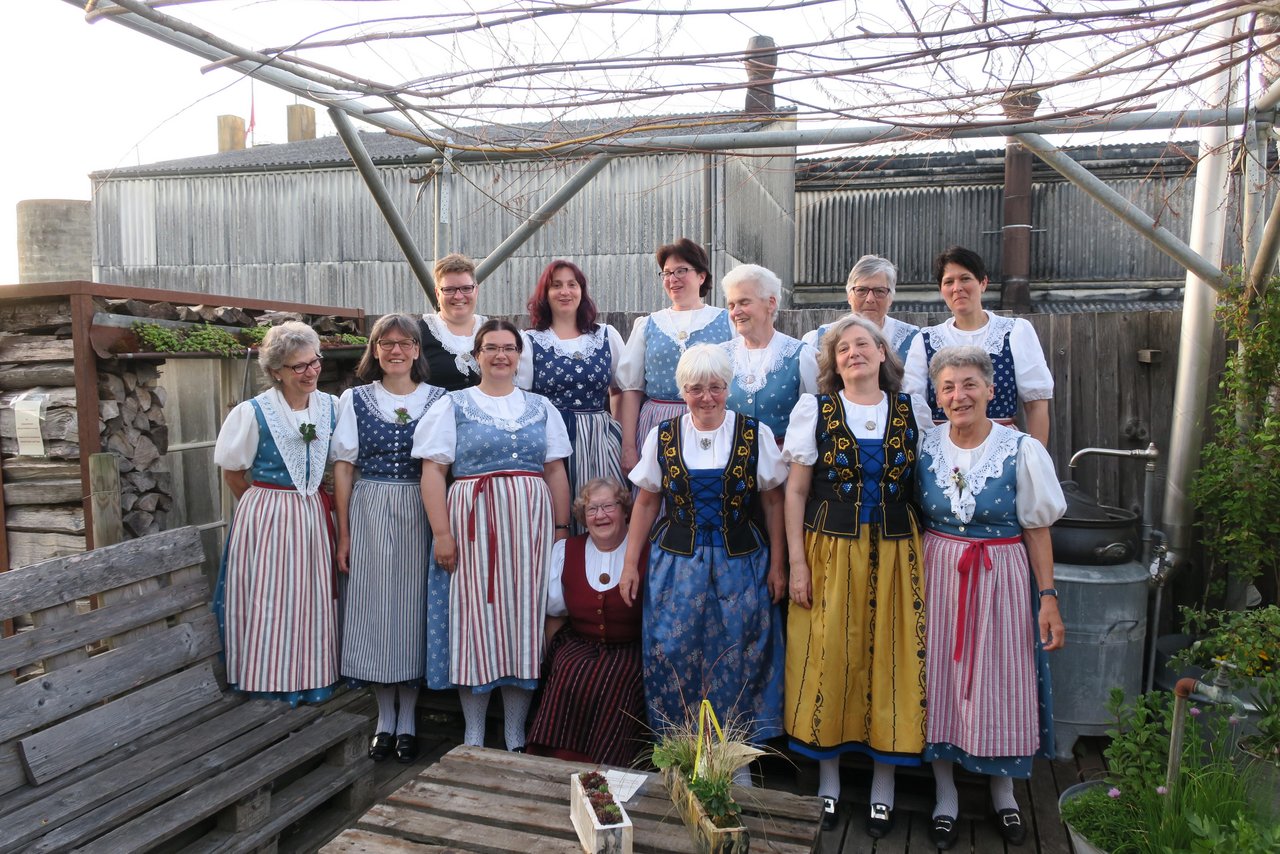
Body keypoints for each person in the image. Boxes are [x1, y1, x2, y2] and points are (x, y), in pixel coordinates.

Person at [782, 315, 934, 834]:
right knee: (829, 654)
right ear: (833, 363)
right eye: (842, 348)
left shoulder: (913, 412)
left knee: (893, 657)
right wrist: (797, 563)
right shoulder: (816, 410)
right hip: (831, 549)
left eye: (862, 344)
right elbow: (796, 492)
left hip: (895, 552)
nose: (853, 353)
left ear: (882, 355)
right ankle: (828, 783)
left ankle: (883, 786)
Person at [915, 346, 1066, 849]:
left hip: (1000, 575)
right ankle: (945, 794)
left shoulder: (1020, 449)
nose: (959, 396)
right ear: (937, 397)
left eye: (969, 385)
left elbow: (1038, 529)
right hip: (937, 572)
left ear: (990, 389)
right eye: (949, 388)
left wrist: (1048, 598)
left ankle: (1004, 793)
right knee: (938, 675)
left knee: (1001, 676)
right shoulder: (924, 446)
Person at [619, 344, 787, 774]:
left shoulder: (755, 433)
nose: (707, 397)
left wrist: (779, 564)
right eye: (696, 389)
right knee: (673, 653)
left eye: (715, 387)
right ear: (682, 391)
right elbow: (645, 503)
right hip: (677, 564)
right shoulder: (665, 435)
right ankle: (678, 754)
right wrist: (628, 563)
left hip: (740, 563)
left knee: (737, 654)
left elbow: (772, 504)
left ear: (728, 388)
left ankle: (735, 757)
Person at [414, 318, 572, 752]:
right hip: (471, 526)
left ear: (519, 356)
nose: (500, 355)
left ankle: (516, 731)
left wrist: (560, 532)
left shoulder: (542, 407)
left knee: (524, 618)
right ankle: (474, 732)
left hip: (530, 530)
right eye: (491, 347)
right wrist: (442, 534)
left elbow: (555, 470)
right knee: (474, 621)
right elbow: (433, 473)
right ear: (476, 355)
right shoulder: (453, 405)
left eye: (508, 348)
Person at [331, 314, 445, 763]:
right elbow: (343, 466)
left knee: (414, 606)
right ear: (374, 351)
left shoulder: (439, 400)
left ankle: (410, 716)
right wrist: (344, 533)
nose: (395, 350)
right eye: (386, 343)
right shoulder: (354, 399)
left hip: (421, 508)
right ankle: (384, 716)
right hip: (371, 506)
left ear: (417, 350)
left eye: (404, 343)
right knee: (376, 607)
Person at [212, 321, 339, 705]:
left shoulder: (332, 407)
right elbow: (233, 471)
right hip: (266, 514)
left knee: (311, 598)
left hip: (313, 515)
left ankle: (311, 678)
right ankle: (266, 678)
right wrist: (263, 507)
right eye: (298, 367)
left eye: (314, 362)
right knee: (269, 598)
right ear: (276, 372)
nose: (310, 371)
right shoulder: (253, 412)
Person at [527, 478, 647, 766]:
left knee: (617, 678)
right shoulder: (566, 551)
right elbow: (555, 612)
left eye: (608, 506)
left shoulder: (646, 550)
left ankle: (610, 763)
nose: (600, 515)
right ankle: (557, 758)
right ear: (583, 516)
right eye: (592, 509)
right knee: (570, 669)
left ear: (625, 510)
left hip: (629, 646)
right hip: (581, 641)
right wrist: (550, 658)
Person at [903, 246, 1053, 446]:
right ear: (942, 290)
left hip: (1000, 447)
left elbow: (1036, 404)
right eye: (949, 281)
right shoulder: (925, 340)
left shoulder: (1014, 332)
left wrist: (1036, 458)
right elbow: (915, 407)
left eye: (965, 278)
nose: (957, 288)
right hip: (943, 448)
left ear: (983, 283)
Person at [517, 260, 626, 518]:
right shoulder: (531, 341)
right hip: (552, 439)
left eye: (571, 285)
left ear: (582, 291)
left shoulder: (606, 336)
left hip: (599, 439)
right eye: (556, 286)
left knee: (602, 510)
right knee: (558, 514)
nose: (565, 292)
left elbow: (620, 389)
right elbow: (523, 398)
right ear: (545, 294)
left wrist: (616, 434)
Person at [617, 238, 733, 473]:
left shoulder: (726, 321)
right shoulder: (648, 325)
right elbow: (631, 389)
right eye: (667, 273)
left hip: (712, 420)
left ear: (701, 276)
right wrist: (628, 446)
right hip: (656, 423)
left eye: (682, 270)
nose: (673, 279)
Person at [719, 263, 818, 441]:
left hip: (782, 464)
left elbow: (814, 421)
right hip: (729, 463)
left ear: (770, 303)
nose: (736, 312)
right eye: (731, 305)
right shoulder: (720, 357)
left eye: (744, 302)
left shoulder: (801, 356)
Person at [803, 254, 919, 362]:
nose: (870, 299)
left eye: (879, 291)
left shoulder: (913, 340)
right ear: (849, 296)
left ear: (890, 298)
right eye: (861, 290)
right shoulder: (818, 340)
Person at [419, 253, 488, 392]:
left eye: (466, 288)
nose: (458, 296)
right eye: (449, 289)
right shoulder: (418, 332)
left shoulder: (492, 331)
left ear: (476, 290)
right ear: (438, 294)